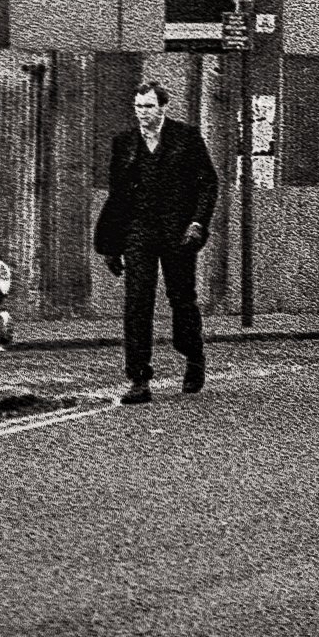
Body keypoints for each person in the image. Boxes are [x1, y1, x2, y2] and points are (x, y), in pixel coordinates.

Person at [94, 78, 218, 403]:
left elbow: (208, 184)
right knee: (137, 302)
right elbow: (117, 196)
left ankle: (193, 354)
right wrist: (111, 245)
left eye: (148, 106)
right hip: (139, 231)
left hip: (179, 232)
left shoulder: (186, 138)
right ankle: (138, 379)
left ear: (162, 107)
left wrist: (197, 223)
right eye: (137, 107)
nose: (142, 113)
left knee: (181, 298)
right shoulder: (124, 143)